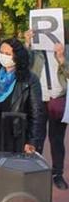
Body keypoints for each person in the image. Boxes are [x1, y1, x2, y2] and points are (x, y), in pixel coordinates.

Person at [0, 38, 45, 156]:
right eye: (1, 53)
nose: (3, 56)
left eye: (8, 54)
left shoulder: (30, 80)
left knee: (12, 171)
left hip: (16, 136)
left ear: (17, 56)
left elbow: (36, 113)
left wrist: (32, 141)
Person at [27, 38, 68, 189]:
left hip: (58, 99)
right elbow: (24, 67)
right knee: (36, 138)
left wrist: (62, 58)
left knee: (57, 140)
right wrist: (27, 44)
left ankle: (58, 174)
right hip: (39, 99)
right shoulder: (35, 50)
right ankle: (35, 173)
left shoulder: (65, 49)